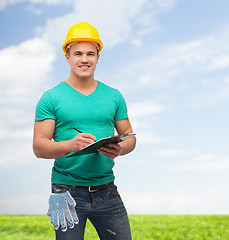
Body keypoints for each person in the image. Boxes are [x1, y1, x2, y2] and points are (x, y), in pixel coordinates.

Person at [33, 22, 136, 240]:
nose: (84, 59)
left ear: (98, 57)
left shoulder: (114, 95)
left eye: (91, 53)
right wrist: (71, 145)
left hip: (107, 189)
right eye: (78, 53)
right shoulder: (51, 97)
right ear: (67, 56)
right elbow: (39, 146)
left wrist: (120, 148)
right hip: (66, 192)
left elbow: (129, 136)